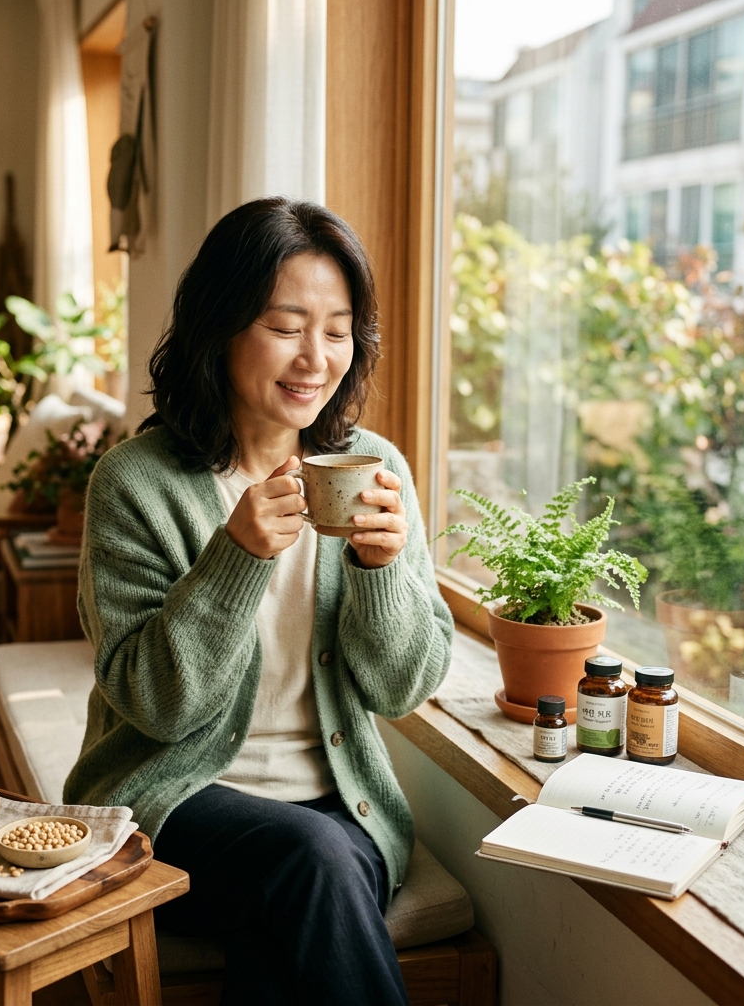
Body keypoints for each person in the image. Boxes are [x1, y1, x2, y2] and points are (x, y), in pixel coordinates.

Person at [65, 197, 453, 1005]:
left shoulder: (375, 470)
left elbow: (402, 688)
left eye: (338, 332)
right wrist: (235, 559)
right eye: (285, 327)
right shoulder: (136, 483)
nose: (316, 358)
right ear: (220, 327)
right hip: (172, 807)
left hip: (343, 809)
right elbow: (157, 706)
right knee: (308, 863)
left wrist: (382, 571)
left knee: (293, 901)